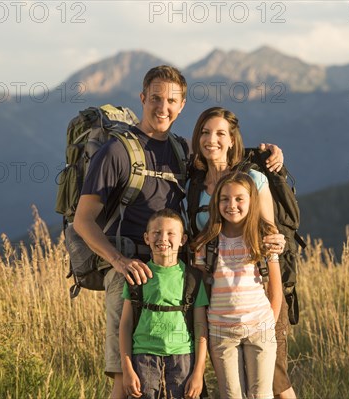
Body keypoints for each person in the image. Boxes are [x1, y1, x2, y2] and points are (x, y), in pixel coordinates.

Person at [73, 65, 286, 398]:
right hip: (131, 272)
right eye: (155, 98)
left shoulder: (181, 150)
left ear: (182, 105)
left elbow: (221, 160)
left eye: (171, 100)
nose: (163, 107)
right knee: (125, 379)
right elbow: (83, 220)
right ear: (142, 99)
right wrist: (119, 261)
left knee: (181, 376)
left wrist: (266, 157)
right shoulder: (116, 152)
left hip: (178, 277)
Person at [187, 107, 296, 398]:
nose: (212, 140)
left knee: (275, 381)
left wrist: (277, 244)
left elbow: (269, 234)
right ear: (196, 138)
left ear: (233, 139)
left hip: (259, 293)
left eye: (221, 133)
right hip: (219, 300)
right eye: (205, 132)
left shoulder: (253, 178)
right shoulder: (193, 183)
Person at [192, 172, 283, 399]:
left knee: (261, 394)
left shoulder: (263, 238)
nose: (231, 205)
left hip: (260, 327)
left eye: (239, 199)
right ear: (216, 202)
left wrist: (269, 322)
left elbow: (275, 287)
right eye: (225, 199)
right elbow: (202, 291)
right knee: (231, 395)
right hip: (221, 331)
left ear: (252, 201)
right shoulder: (207, 243)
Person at [119, 209, 208, 399]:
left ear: (182, 239)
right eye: (156, 233)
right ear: (146, 237)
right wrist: (127, 369)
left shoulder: (192, 278)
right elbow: (125, 325)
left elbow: (201, 327)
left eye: (170, 233)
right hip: (143, 357)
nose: (163, 238)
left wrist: (198, 373)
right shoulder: (137, 276)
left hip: (182, 358)